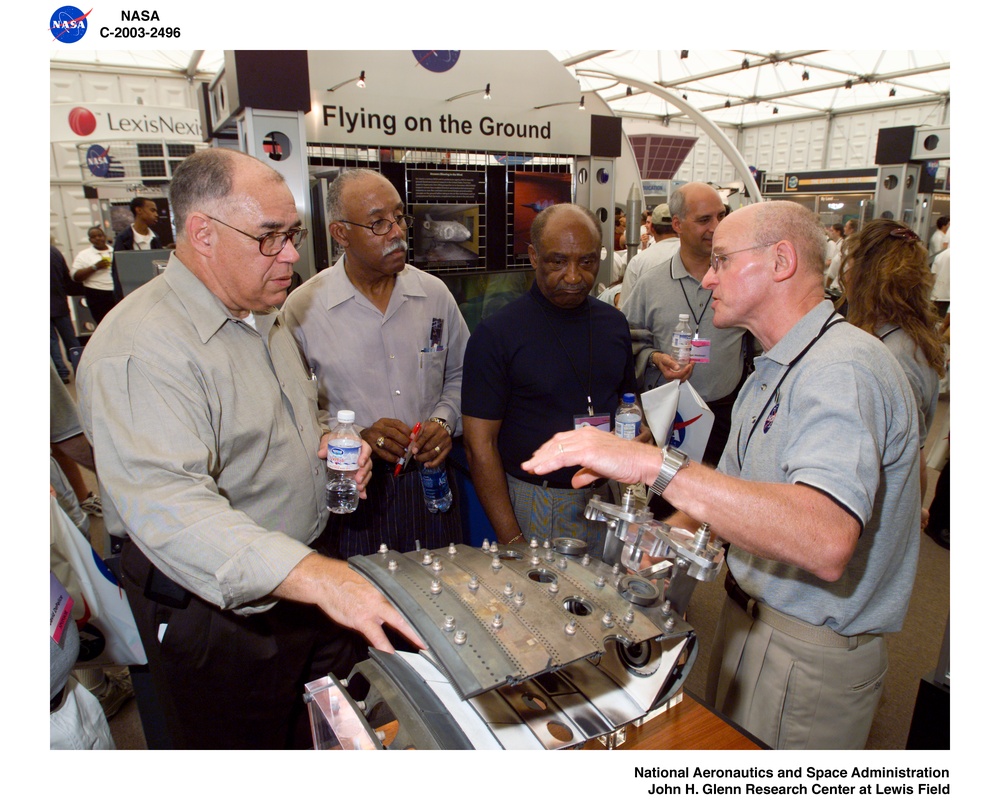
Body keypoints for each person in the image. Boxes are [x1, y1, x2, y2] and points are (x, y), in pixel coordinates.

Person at [522, 200, 921, 750]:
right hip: (747, 618)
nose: (708, 278)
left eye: (723, 261)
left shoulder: (842, 370)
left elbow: (825, 538)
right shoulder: (774, 367)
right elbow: (728, 498)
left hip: (809, 646)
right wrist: (656, 548)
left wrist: (649, 464)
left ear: (781, 261)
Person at [77, 149, 420, 749]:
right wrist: (320, 579)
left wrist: (334, 440)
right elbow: (168, 507)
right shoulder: (139, 349)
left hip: (304, 583)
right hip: (219, 616)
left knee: (329, 733)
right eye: (270, 238)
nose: (291, 254)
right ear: (202, 234)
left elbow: (289, 412)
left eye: (292, 235)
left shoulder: (262, 314)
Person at [282, 168, 469, 560]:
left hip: (432, 486)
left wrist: (443, 420)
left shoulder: (434, 296)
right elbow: (292, 413)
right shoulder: (303, 311)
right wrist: (356, 437)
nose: (397, 232)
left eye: (399, 217)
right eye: (378, 224)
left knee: (445, 600)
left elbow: (461, 374)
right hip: (357, 493)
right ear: (340, 234)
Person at [462, 203, 639, 555]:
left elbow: (628, 402)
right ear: (533, 257)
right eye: (558, 261)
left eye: (587, 262)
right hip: (536, 501)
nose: (573, 276)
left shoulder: (613, 324)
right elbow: (479, 445)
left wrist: (639, 433)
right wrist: (512, 540)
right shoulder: (497, 334)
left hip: (606, 497)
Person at [621, 182, 747, 468]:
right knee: (666, 506)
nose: (716, 227)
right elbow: (624, 340)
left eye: (721, 216)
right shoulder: (651, 284)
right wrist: (654, 357)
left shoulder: (743, 279)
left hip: (726, 418)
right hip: (667, 418)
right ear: (677, 224)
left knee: (717, 505)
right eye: (704, 220)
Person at [842, 219, 946, 525]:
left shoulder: (892, 354)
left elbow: (910, 456)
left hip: (873, 512)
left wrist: (909, 514)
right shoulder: (907, 340)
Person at [619, 202, 680, 305]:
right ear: (678, 226)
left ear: (651, 228)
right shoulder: (694, 256)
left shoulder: (638, 261)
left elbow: (625, 306)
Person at [111, 196, 163, 300]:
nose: (156, 215)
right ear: (139, 210)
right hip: (133, 294)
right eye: (152, 210)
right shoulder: (123, 239)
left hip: (155, 293)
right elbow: (118, 272)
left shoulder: (155, 238)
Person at [71, 226, 118, 325]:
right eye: (93, 237)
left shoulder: (115, 251)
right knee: (103, 324)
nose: (97, 238)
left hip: (115, 292)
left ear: (104, 236)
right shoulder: (83, 255)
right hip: (96, 294)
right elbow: (75, 276)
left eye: (100, 235)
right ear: (90, 240)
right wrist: (95, 267)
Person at [50, 245, 81, 383]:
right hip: (59, 302)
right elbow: (66, 278)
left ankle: (62, 372)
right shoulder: (55, 252)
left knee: (52, 342)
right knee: (70, 338)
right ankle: (78, 366)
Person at [823, 222, 845, 291]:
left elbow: (833, 262)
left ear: (838, 232)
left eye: (832, 230)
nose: (830, 232)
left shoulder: (840, 245)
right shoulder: (836, 244)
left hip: (832, 278)